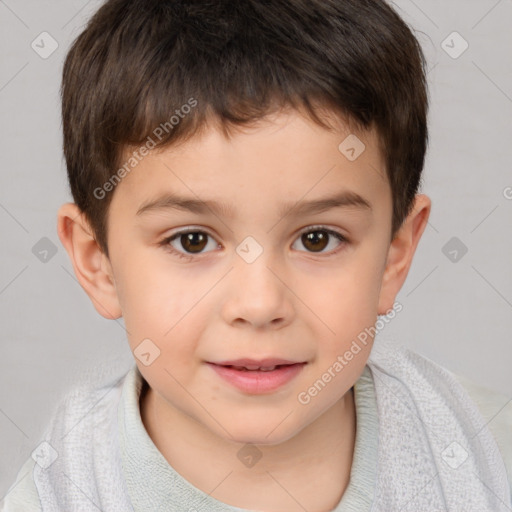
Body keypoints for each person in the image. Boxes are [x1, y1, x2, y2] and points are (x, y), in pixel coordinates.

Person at [2, 0, 511, 510]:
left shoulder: (487, 451)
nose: (260, 302)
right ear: (99, 263)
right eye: (192, 240)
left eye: (317, 239)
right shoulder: (59, 494)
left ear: (394, 256)